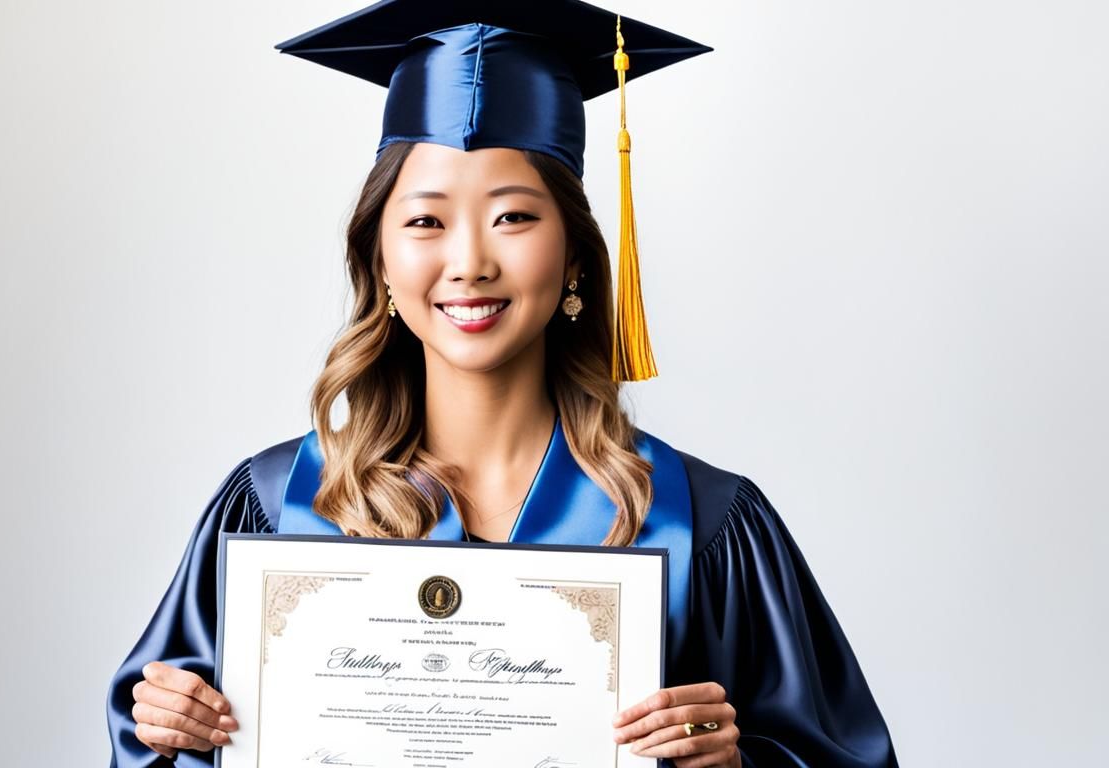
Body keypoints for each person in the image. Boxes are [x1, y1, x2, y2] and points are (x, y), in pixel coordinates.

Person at [106, 2, 899, 766]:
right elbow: (170, 753)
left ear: (578, 256)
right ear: (379, 260)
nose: (470, 261)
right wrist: (175, 732)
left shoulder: (705, 526)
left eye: (513, 217)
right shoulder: (277, 506)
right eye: (425, 221)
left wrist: (731, 766)